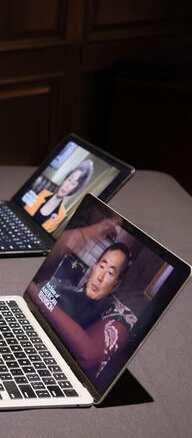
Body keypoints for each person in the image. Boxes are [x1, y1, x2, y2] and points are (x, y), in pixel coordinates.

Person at [44, 242, 136, 378]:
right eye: (101, 266)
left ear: (115, 285)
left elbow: (87, 355)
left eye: (110, 273)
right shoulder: (66, 290)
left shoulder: (121, 316)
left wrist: (42, 301)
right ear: (95, 267)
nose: (100, 277)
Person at [23, 159, 94, 233]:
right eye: (69, 179)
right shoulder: (42, 193)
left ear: (74, 190)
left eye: (73, 184)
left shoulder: (61, 215)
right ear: (65, 179)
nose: (67, 186)